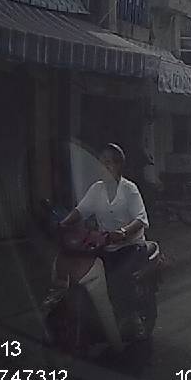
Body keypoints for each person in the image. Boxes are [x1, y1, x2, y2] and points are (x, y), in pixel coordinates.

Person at [59, 143, 150, 338]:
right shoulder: (96, 189)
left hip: (131, 246)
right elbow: (80, 211)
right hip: (105, 246)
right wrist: (63, 223)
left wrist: (123, 232)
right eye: (101, 163)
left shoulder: (129, 189)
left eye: (109, 162)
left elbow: (140, 220)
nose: (104, 167)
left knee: (119, 279)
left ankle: (131, 318)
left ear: (119, 166)